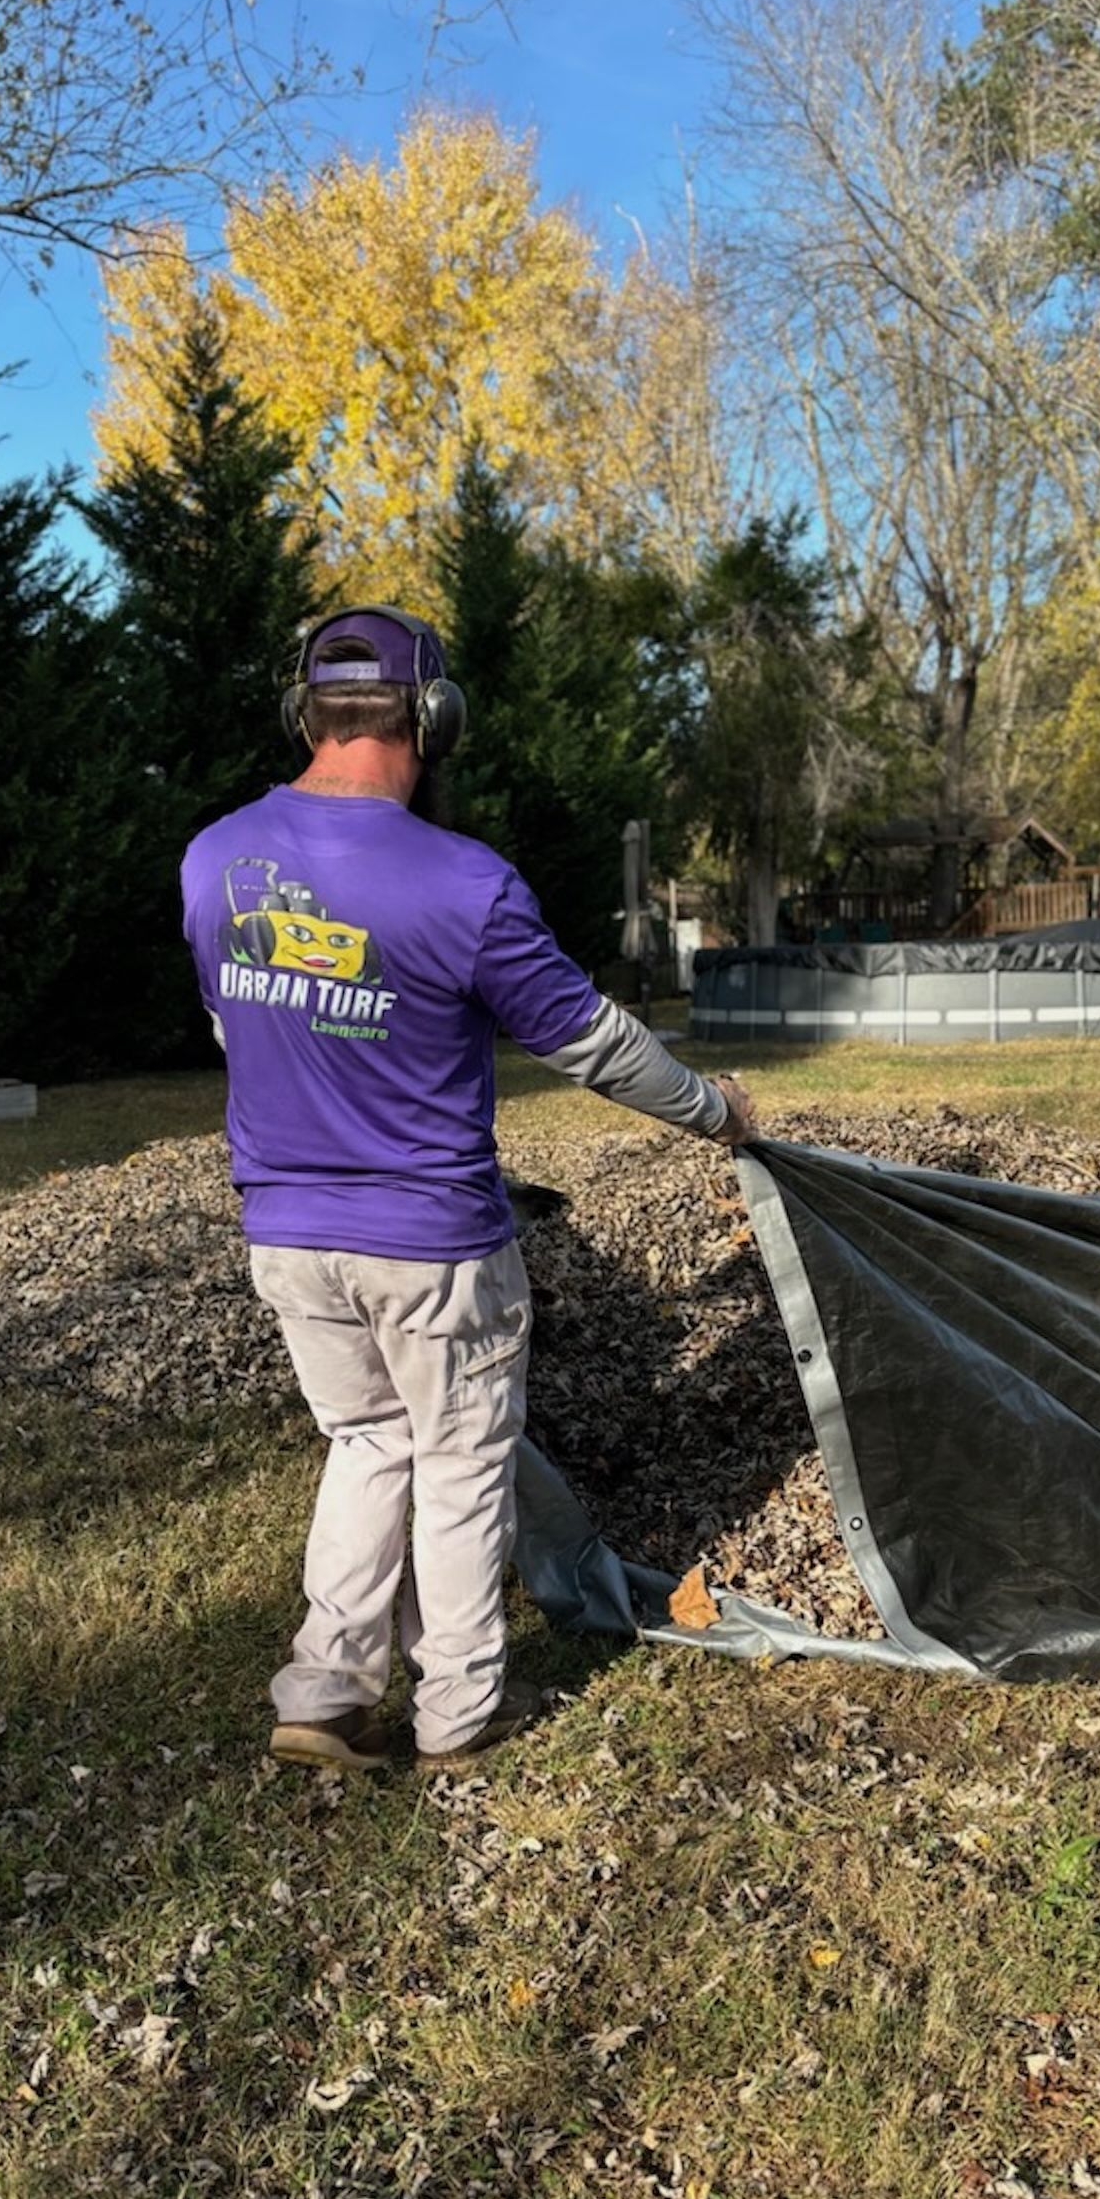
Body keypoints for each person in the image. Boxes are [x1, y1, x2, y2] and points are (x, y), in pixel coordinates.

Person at [180, 604, 757, 1774]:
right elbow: (590, 1041)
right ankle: (459, 1716)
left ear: (305, 710)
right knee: (457, 1465)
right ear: (433, 718)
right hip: (431, 1243)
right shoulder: (466, 884)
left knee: (364, 1443)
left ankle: (325, 1691)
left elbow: (232, 1027)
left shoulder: (212, 859)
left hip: (286, 1229)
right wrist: (715, 1110)